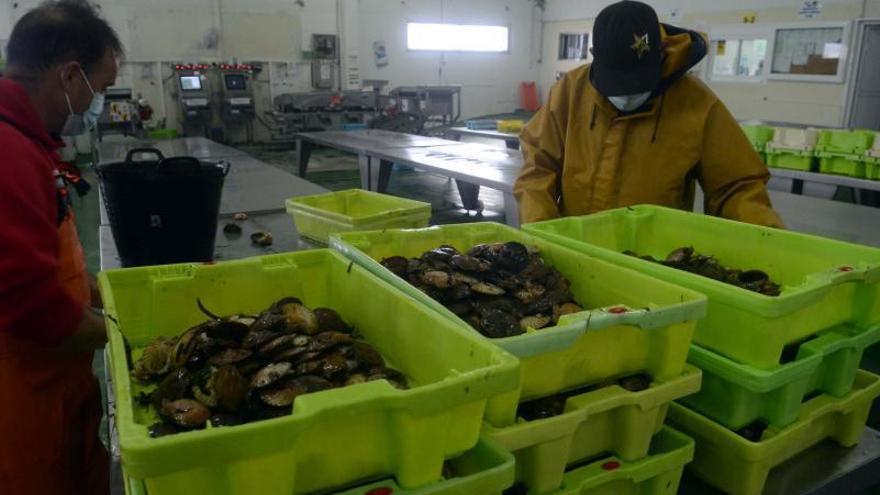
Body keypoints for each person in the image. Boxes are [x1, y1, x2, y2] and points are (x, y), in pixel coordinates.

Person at [514, 0, 783, 227]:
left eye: (638, 83)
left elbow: (736, 187)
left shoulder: (697, 104)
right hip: (575, 250)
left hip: (655, 262)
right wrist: (543, 233)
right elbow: (538, 167)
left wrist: (766, 242)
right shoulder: (570, 92)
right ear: (596, 56)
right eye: (618, 85)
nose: (628, 95)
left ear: (661, 55)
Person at [0, 2, 122, 493]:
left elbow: (50, 261)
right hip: (22, 403)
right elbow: (31, 308)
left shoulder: (31, 143)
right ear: (72, 77)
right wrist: (122, 337)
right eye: (102, 89)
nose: (101, 105)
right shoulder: (8, 153)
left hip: (55, 388)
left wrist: (103, 293)